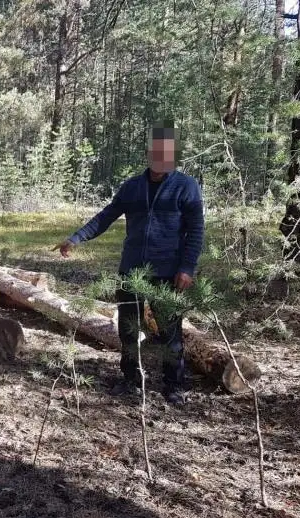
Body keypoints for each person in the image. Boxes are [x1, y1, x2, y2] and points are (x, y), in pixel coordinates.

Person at [53, 122, 204, 405]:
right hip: (131, 269)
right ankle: (130, 379)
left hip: (168, 272)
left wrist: (187, 268)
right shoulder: (133, 187)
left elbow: (196, 231)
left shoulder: (186, 187)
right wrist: (76, 238)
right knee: (128, 328)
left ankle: (174, 385)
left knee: (170, 331)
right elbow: (105, 216)